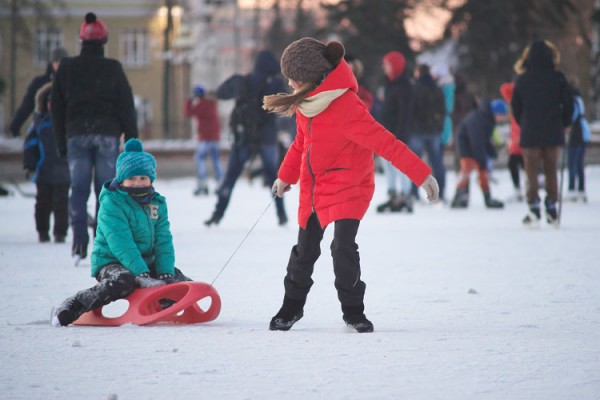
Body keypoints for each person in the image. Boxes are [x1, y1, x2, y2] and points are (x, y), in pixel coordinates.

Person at [263, 37, 439, 333]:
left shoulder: (347, 106)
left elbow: (386, 143)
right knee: (304, 251)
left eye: (293, 79)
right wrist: (285, 176)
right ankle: (291, 307)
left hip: (348, 184)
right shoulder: (306, 106)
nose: (290, 84)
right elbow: (299, 145)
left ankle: (354, 311)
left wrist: (422, 175)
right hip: (315, 187)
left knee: (342, 247)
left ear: (311, 78)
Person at [51, 138, 191, 327]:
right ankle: (75, 304)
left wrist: (165, 273)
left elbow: (163, 239)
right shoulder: (112, 203)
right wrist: (141, 273)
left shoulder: (157, 203)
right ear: (121, 179)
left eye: (143, 178)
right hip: (111, 261)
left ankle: (162, 303)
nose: (138, 183)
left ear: (151, 179)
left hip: (145, 262)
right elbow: (121, 243)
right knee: (124, 281)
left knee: (175, 278)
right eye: (131, 178)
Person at [51, 12, 138, 260]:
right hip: (107, 137)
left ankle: (79, 240)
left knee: (78, 190)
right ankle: (102, 242)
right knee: (105, 191)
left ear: (81, 40)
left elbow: (56, 107)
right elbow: (126, 107)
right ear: (104, 41)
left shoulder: (66, 68)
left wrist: (61, 141)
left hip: (76, 135)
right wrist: (132, 142)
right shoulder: (113, 69)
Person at [204, 50, 288, 227]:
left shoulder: (245, 80)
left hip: (244, 136)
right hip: (267, 137)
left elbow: (221, 92)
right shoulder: (277, 84)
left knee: (231, 175)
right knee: (274, 176)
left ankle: (217, 214)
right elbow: (287, 105)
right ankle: (281, 214)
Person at [511, 39, 573, 227]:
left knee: (530, 170)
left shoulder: (522, 80)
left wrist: (524, 122)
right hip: (553, 129)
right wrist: (565, 122)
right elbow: (568, 104)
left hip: (530, 131)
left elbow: (516, 106)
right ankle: (552, 204)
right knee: (551, 169)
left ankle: (534, 205)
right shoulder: (558, 78)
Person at [22, 83, 70, 243]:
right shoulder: (39, 122)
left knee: (61, 203)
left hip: (64, 170)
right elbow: (30, 144)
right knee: (42, 203)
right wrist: (30, 164)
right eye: (50, 102)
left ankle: (60, 232)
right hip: (43, 170)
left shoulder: (68, 123)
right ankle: (42, 231)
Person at [449, 99, 508, 209]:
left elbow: (485, 139)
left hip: (476, 146)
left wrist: (491, 151)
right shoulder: (478, 119)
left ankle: (487, 197)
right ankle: (458, 196)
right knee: (466, 170)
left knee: (482, 172)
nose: (500, 118)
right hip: (466, 146)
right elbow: (476, 141)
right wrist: (482, 159)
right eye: (500, 115)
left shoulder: (488, 119)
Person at [376, 50, 415, 213]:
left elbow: (405, 113)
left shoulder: (404, 86)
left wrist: (400, 135)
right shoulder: (389, 84)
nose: (385, 68)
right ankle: (393, 195)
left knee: (401, 165)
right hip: (386, 131)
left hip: (397, 133)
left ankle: (406, 196)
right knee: (388, 165)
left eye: (387, 65)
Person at [408, 64, 447, 202]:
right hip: (433, 131)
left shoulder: (415, 89)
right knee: (437, 162)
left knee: (414, 163)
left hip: (417, 131)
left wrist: (411, 126)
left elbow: (411, 110)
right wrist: (439, 126)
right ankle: (440, 193)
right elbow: (443, 110)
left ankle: (413, 193)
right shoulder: (436, 89)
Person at [9, 47, 68, 138]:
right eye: (56, 62)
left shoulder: (70, 82)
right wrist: (14, 127)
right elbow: (27, 105)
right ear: (52, 63)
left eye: (62, 63)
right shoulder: (40, 83)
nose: (59, 66)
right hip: (45, 126)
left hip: (66, 128)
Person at [183, 84, 223, 195]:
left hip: (204, 137)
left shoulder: (201, 105)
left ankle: (202, 183)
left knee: (200, 159)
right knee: (216, 160)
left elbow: (188, 112)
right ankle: (220, 183)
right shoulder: (212, 103)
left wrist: (189, 100)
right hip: (214, 137)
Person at [500, 81, 525, 202]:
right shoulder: (515, 102)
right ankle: (520, 189)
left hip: (521, 140)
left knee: (519, 164)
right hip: (517, 139)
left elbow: (505, 89)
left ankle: (522, 189)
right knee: (516, 164)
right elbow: (504, 88)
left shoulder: (521, 102)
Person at [566, 80, 591, 203]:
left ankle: (573, 189)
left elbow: (571, 117)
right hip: (582, 132)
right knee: (578, 163)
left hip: (577, 133)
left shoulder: (572, 100)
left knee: (573, 163)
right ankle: (580, 189)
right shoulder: (578, 99)